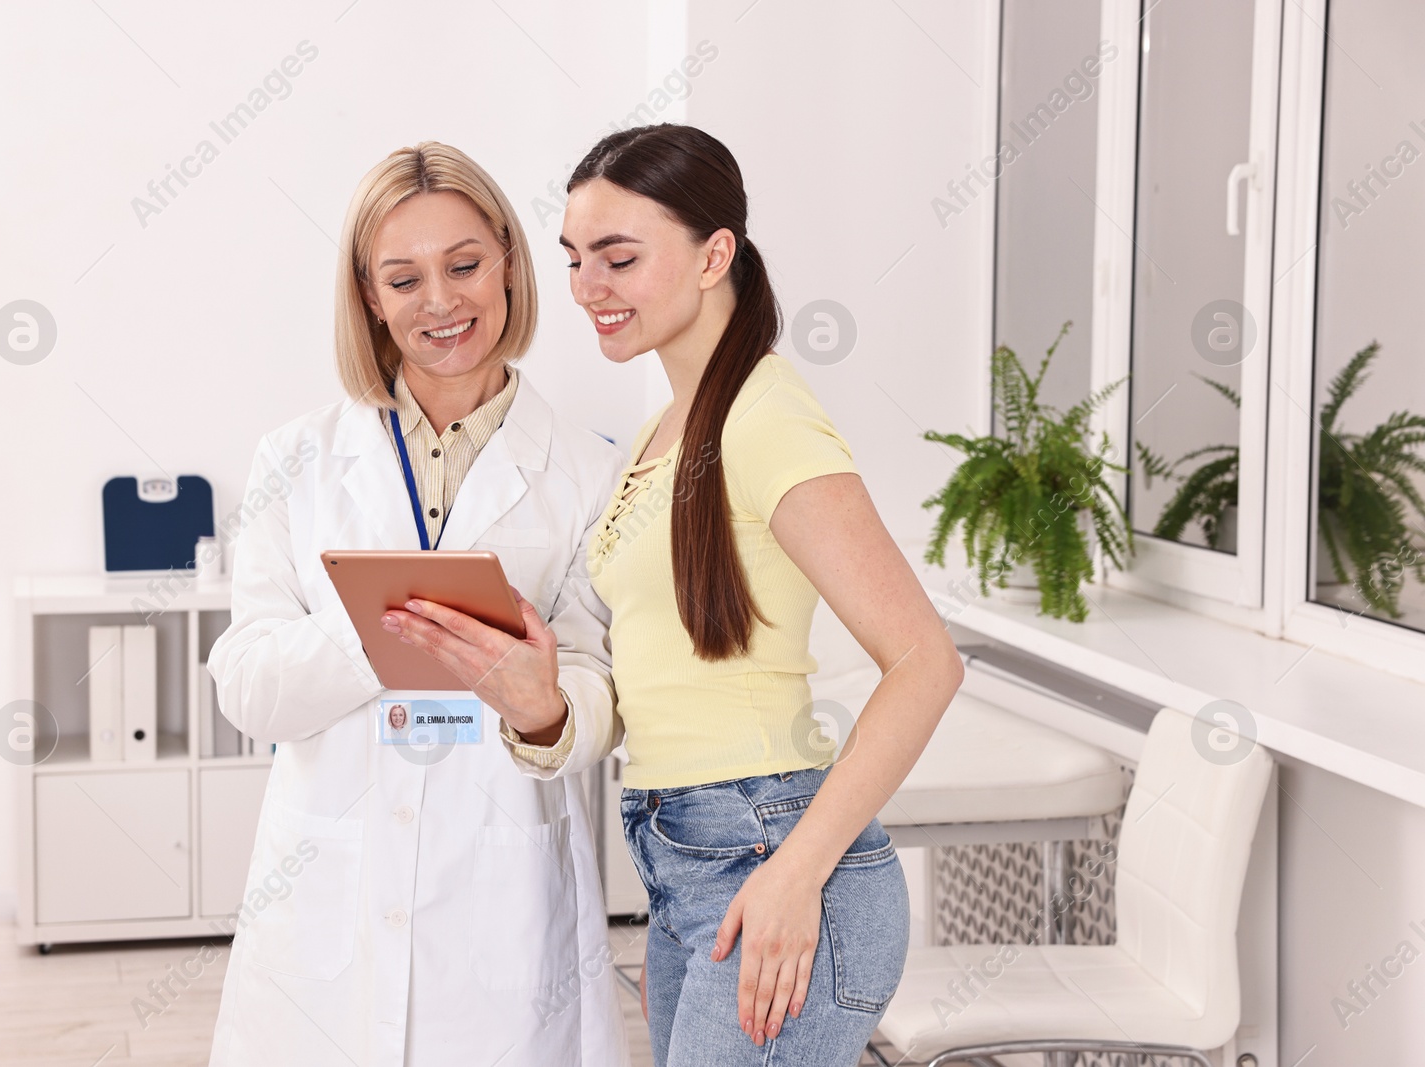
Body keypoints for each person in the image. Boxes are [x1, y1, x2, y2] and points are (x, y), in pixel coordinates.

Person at [206, 141, 629, 1067]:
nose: (442, 302)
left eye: (466, 265)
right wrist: (385, 628)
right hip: (331, 889)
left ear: (511, 263)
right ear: (369, 295)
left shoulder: (590, 471)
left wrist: (546, 707)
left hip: (504, 893)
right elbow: (245, 685)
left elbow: (602, 686)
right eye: (405, 278)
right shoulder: (295, 460)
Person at [561, 123, 962, 1065]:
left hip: (771, 853)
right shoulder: (667, 423)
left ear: (715, 254)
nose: (588, 287)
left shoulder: (766, 416)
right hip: (686, 860)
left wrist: (793, 875)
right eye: (576, 258)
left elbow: (925, 662)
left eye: (618, 257)